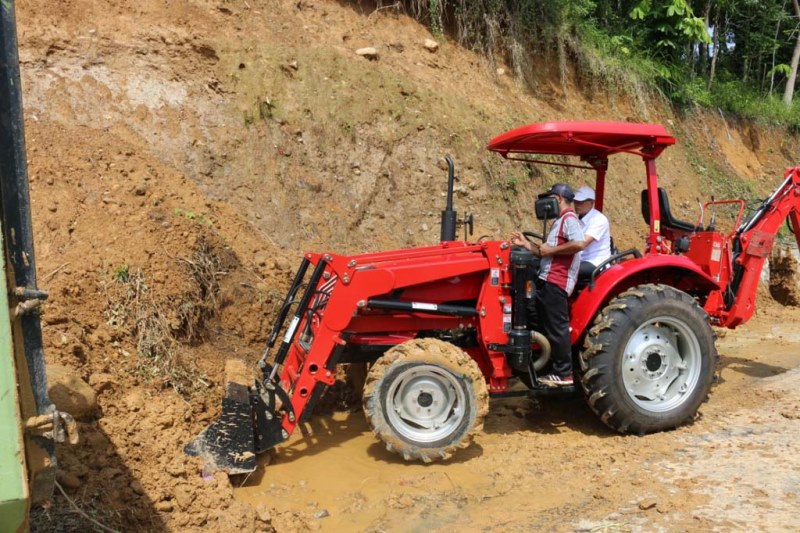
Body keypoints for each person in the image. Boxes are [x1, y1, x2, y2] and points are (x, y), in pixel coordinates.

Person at [511, 183, 584, 387]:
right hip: (546, 279)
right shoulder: (559, 222)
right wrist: (526, 244)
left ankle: (564, 374)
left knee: (557, 328)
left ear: (559, 198)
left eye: (550, 197)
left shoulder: (569, 219)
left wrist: (551, 250)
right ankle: (542, 362)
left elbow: (579, 243)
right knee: (533, 314)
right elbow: (544, 251)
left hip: (557, 281)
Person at [573, 185, 612, 279]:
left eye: (581, 202)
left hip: (595, 262)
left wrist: (554, 250)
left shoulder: (599, 219)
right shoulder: (575, 219)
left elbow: (581, 244)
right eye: (576, 201)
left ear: (591, 203)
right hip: (580, 260)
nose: (577, 204)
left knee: (562, 271)